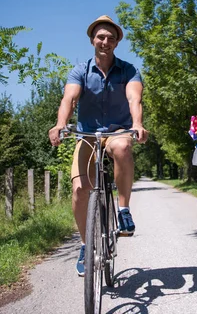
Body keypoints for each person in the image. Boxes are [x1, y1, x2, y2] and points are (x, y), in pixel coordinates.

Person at [48, 15, 148, 276]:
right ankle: (85, 244)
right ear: (93, 40)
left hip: (117, 131)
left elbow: (134, 98)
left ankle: (124, 210)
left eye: (111, 38)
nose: (106, 41)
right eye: (101, 37)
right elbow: (69, 99)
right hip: (88, 134)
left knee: (122, 149)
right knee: (80, 190)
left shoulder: (129, 70)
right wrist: (60, 123)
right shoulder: (80, 71)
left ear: (116, 43)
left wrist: (137, 124)